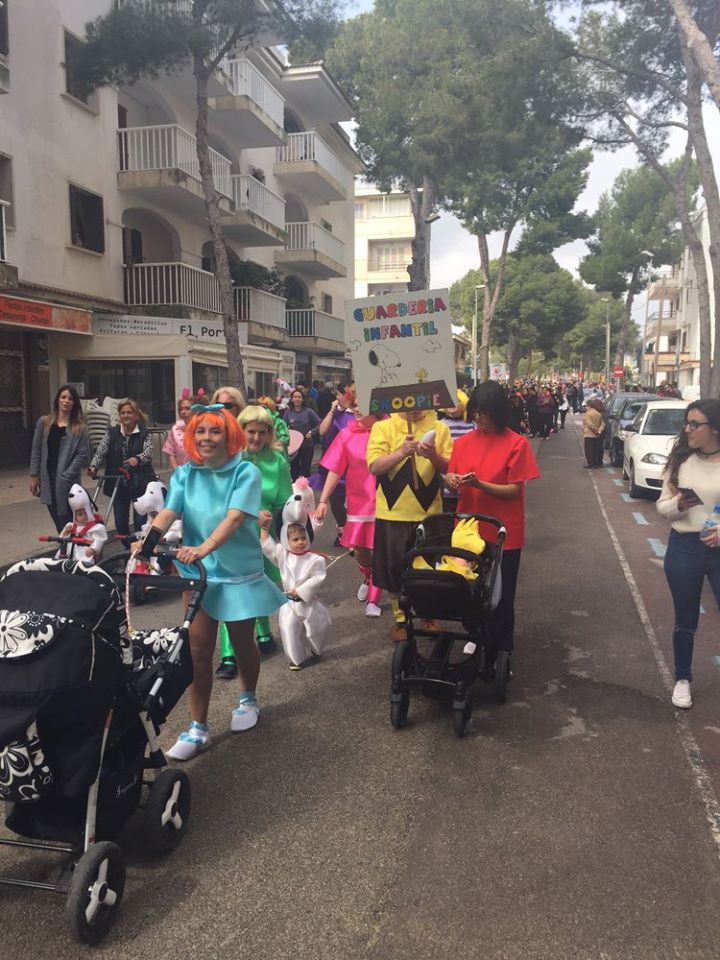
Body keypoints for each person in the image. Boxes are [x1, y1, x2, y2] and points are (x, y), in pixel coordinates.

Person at [135, 403, 287, 760]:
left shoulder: (246, 472)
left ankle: (248, 698)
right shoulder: (185, 474)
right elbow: (169, 510)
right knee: (197, 651)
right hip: (198, 574)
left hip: (236, 571)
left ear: (228, 435)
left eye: (215, 431)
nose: (206, 438)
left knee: (243, 642)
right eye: (200, 431)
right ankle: (198, 727)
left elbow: (235, 519)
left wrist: (204, 547)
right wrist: (149, 540)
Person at [446, 381, 541, 662]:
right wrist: (451, 481)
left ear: (498, 412)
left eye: (484, 413)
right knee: (467, 588)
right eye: (475, 412)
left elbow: (514, 491)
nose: (478, 418)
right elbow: (452, 480)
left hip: (503, 531)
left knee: (501, 594)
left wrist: (480, 484)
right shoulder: (462, 443)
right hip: (468, 530)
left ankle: (501, 646)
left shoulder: (516, 443)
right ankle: (475, 633)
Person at [215, 405, 293, 677]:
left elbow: (285, 501)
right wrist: (249, 514)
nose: (257, 438)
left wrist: (293, 515)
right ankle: (228, 654)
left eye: (263, 432)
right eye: (251, 432)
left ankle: (263, 632)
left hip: (264, 535)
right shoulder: (229, 459)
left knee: (260, 583)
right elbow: (218, 499)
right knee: (233, 592)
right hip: (232, 534)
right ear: (241, 431)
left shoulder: (278, 461)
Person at [367, 408, 453, 641]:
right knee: (393, 571)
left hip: (429, 515)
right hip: (392, 514)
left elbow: (450, 467)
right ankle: (400, 619)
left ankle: (427, 614)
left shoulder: (440, 428)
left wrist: (433, 455)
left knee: (429, 569)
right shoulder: (383, 427)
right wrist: (402, 452)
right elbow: (374, 466)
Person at [657, 400, 720, 709]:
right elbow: (662, 506)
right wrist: (679, 504)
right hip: (684, 547)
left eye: (695, 424)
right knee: (686, 618)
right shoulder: (681, 461)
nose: (688, 429)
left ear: (715, 428)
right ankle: (683, 678)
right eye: (687, 423)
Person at [316, 394, 382, 617]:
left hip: (385, 501)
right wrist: (323, 500)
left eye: (362, 405)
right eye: (354, 405)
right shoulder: (346, 434)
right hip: (358, 501)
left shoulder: (390, 430)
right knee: (360, 548)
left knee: (379, 548)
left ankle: (374, 598)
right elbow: (335, 469)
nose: (356, 409)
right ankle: (368, 577)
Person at [260, 519, 331, 670]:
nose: (300, 542)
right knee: (289, 631)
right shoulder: (283, 555)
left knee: (317, 629)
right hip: (289, 604)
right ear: (286, 541)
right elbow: (268, 547)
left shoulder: (315, 559)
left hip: (309, 602)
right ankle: (296, 659)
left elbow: (318, 578)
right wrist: (264, 529)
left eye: (303, 538)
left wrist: (300, 590)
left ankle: (316, 648)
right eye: (295, 539)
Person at [88, 398, 154, 546]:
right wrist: (93, 466)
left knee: (140, 522)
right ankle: (128, 548)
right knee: (120, 523)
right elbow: (101, 452)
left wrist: (138, 459)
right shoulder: (112, 433)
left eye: (129, 412)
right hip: (118, 482)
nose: (126, 415)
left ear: (136, 415)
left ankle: (140, 549)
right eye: (123, 413)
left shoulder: (145, 433)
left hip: (140, 483)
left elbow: (148, 453)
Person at [30, 384, 90, 532]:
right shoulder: (44, 422)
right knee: (58, 520)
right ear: (57, 399)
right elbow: (37, 450)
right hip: (48, 478)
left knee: (71, 520)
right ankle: (66, 543)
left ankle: (73, 544)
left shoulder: (79, 428)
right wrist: (34, 476)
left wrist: (66, 475)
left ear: (74, 403)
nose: (66, 401)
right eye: (63, 397)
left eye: (70, 398)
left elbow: (83, 455)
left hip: (68, 481)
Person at [313, 383, 354, 546]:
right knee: (336, 501)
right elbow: (322, 431)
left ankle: (355, 534)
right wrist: (331, 411)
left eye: (339, 394)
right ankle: (343, 529)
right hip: (334, 464)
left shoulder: (360, 415)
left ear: (347, 395)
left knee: (355, 502)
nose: (336, 397)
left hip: (354, 465)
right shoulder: (336, 413)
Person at [283, 388, 321, 480]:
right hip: (293, 449)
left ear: (303, 399)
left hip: (307, 447)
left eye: (299, 397)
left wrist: (312, 432)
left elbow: (321, 423)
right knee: (294, 473)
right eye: (295, 397)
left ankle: (305, 488)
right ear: (292, 399)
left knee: (305, 473)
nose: (297, 399)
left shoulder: (308, 411)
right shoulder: (288, 412)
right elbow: (282, 427)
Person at [163, 391, 204, 470]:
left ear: (196, 410)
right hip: (182, 471)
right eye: (181, 409)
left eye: (187, 408)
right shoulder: (175, 429)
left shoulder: (202, 427)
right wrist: (177, 470)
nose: (183, 412)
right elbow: (171, 452)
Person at [582, 398, 605, 468]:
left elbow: (589, 424)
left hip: (589, 434)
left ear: (589, 406)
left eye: (586, 406)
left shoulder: (588, 414)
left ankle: (591, 464)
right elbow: (603, 424)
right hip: (596, 435)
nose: (586, 408)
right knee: (594, 449)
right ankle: (595, 463)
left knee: (588, 450)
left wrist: (595, 430)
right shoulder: (598, 414)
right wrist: (599, 431)